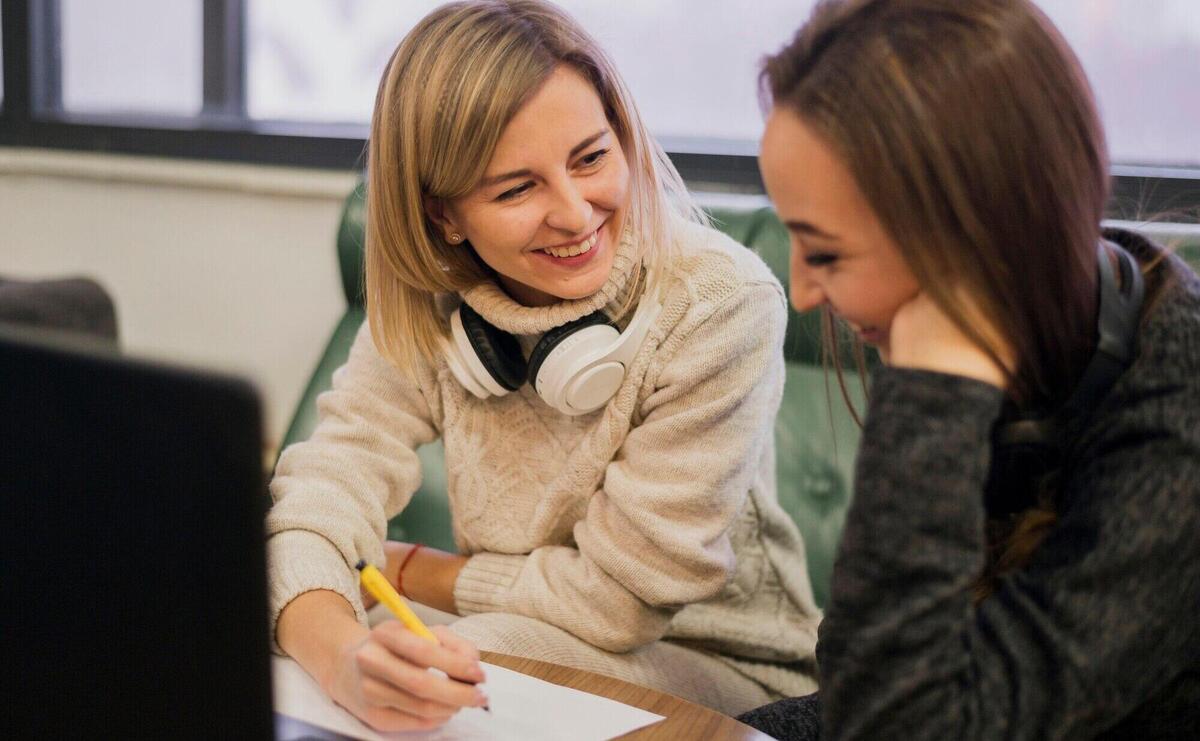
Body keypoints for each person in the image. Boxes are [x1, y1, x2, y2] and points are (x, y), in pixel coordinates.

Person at [267, 0, 822, 731]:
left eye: (591, 158)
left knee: (452, 670)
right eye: (517, 188)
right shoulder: (430, 304)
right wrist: (340, 656)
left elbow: (616, 601)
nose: (574, 213)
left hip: (719, 662)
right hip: (525, 620)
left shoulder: (720, 301)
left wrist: (414, 571)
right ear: (444, 216)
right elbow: (314, 502)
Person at [740, 0, 1200, 738]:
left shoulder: (1176, 423)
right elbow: (858, 671)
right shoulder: (966, 328)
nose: (802, 291)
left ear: (967, 244)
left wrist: (933, 398)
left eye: (825, 252)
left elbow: (900, 722)